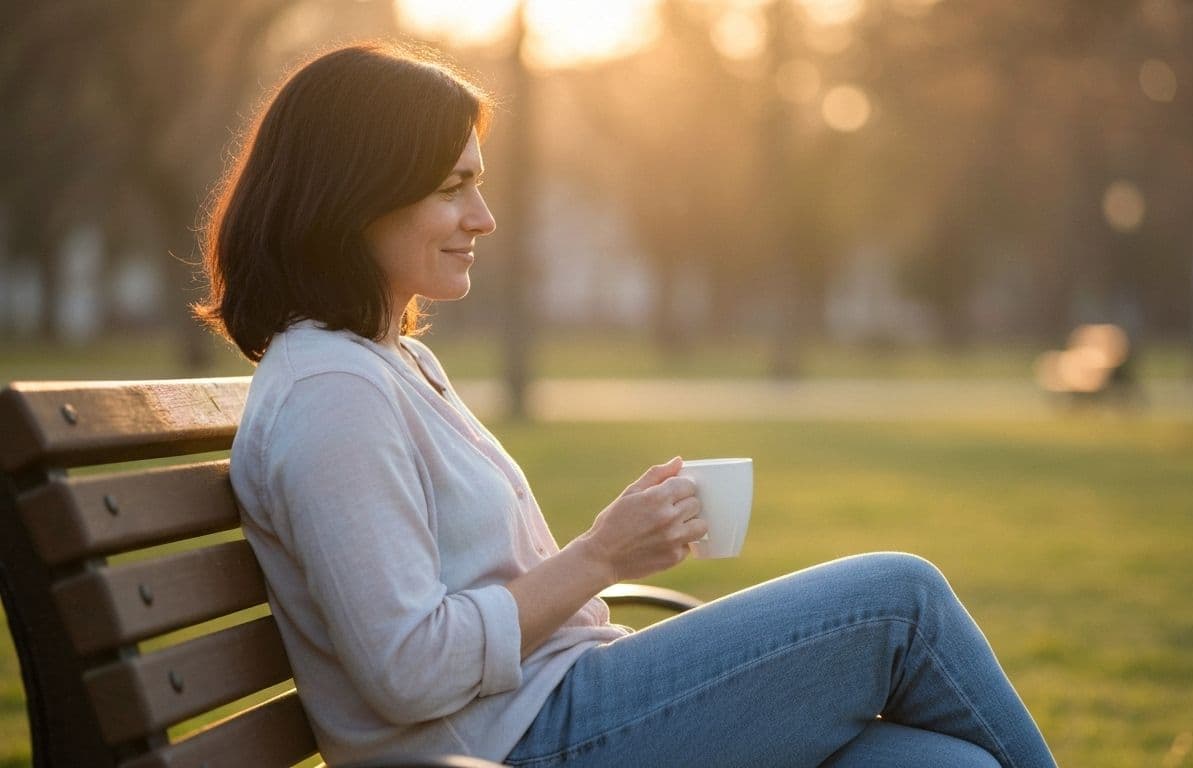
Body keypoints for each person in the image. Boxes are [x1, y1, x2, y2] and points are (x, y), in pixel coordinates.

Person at [195, 43, 1058, 768]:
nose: (484, 217)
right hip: (517, 745)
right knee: (899, 599)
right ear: (357, 195)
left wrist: (602, 564)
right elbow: (407, 671)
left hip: (566, 705)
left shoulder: (390, 364)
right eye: (452, 187)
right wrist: (604, 555)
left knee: (950, 765)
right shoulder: (331, 392)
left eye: (479, 183)